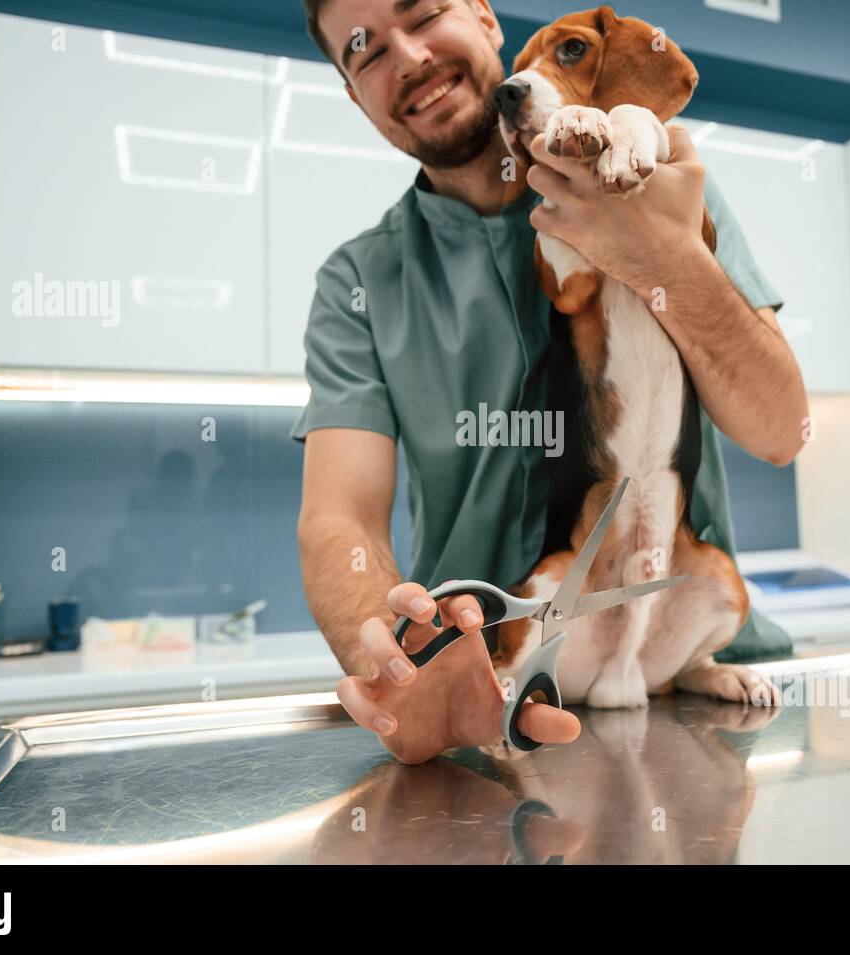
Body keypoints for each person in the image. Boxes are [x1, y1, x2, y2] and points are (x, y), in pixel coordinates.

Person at [293, 0, 808, 764]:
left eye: (425, 12)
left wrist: (664, 255)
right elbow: (342, 521)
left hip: (700, 675)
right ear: (353, 92)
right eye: (365, 51)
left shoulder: (663, 175)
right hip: (484, 697)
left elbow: (779, 430)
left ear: (483, 14)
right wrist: (399, 661)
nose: (407, 56)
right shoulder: (357, 282)